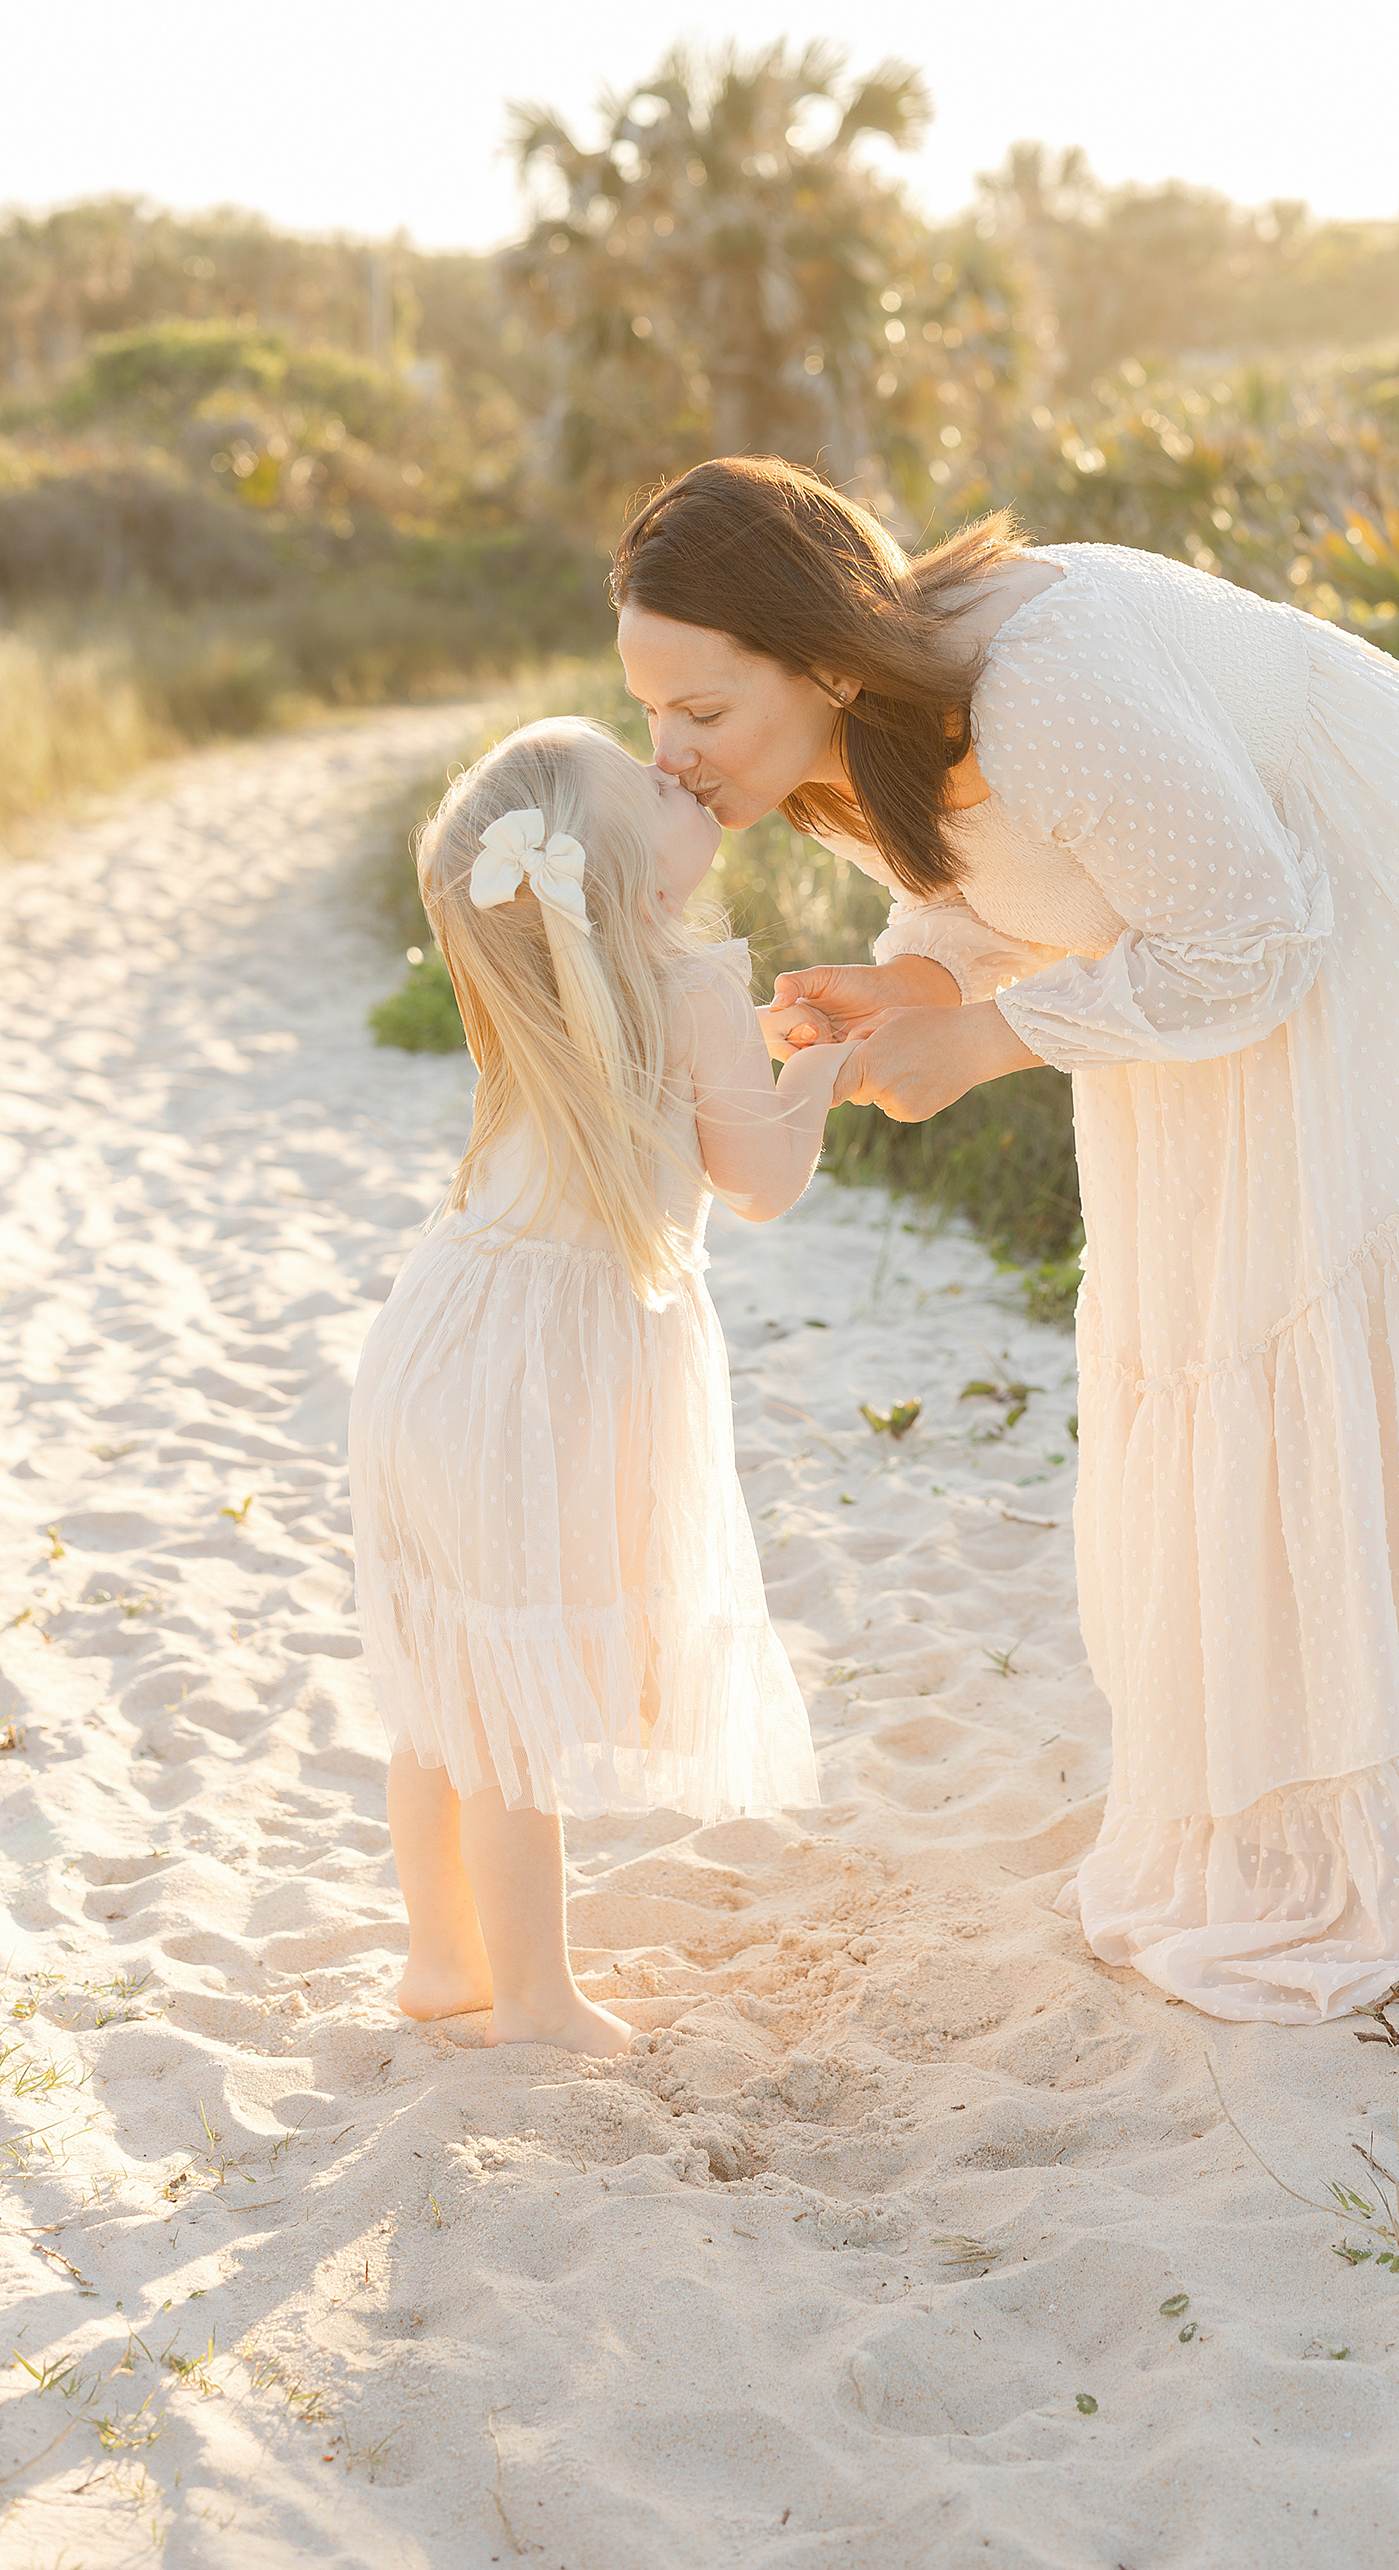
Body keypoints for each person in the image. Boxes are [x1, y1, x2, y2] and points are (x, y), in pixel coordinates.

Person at [616, 457, 1399, 2027]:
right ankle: (1330, 1774)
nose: (668, 752)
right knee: (1220, 1320)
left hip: (1390, 893)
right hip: (1228, 927)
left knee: (1325, 1313)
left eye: (700, 710)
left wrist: (990, 1042)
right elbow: (1019, 890)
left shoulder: (1048, 684)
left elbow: (1253, 934)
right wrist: (919, 989)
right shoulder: (839, 747)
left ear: (825, 654)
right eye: (650, 710)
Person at [348, 716, 853, 2054]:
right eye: (650, 785)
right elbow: (758, 1182)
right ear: (638, 888)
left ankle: (440, 1958)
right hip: (543, 1377)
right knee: (515, 1706)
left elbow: (654, 1109)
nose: (677, 767)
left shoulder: (557, 991)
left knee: (449, 1683)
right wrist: (820, 1072)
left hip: (438, 1346)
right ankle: (535, 2001)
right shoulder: (682, 986)